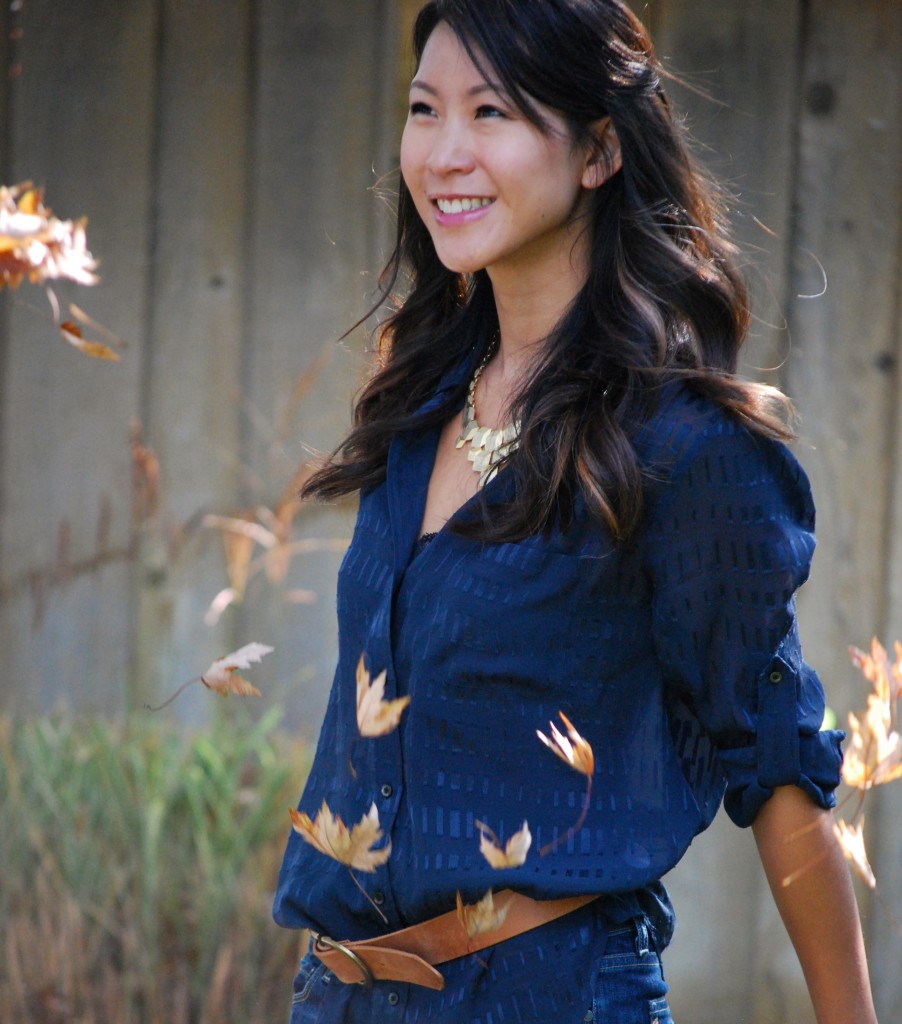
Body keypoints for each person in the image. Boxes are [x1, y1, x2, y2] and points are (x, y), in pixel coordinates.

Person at [273, 1, 878, 1021]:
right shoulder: (417, 413)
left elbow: (773, 768)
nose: (444, 152)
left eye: (491, 113)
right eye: (425, 110)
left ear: (597, 150)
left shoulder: (681, 450)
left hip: (546, 995)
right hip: (338, 995)